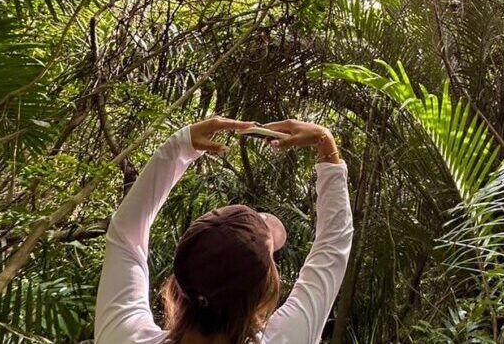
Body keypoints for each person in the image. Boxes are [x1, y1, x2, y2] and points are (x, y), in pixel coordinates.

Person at [94, 116, 353, 344]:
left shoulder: (122, 336)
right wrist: (326, 145)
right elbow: (332, 248)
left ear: (179, 281)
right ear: (263, 294)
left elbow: (125, 234)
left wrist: (180, 146)